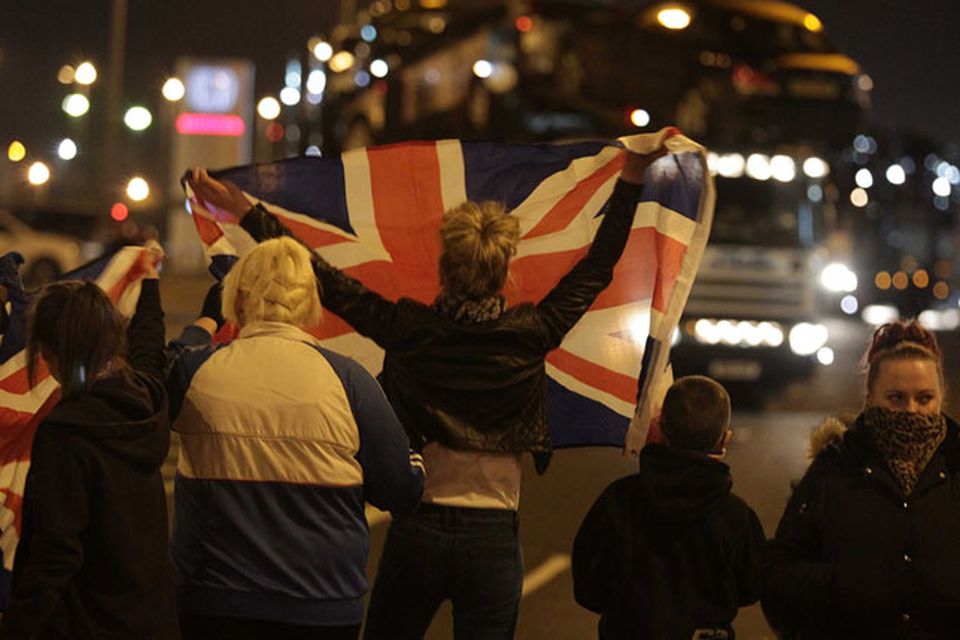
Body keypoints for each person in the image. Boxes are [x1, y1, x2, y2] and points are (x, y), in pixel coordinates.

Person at [165, 236, 424, 640]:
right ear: (307, 301)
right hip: (322, 606)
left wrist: (204, 322)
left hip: (214, 603)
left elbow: (161, 366)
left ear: (238, 299)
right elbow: (400, 488)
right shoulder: (348, 380)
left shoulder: (197, 372)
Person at [0, 244, 179, 639]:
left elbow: (54, 557)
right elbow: (150, 348)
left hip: (90, 625)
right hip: (152, 619)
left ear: (49, 351)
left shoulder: (65, 434)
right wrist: (149, 282)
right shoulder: (146, 399)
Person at [762, 320, 960, 639]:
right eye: (896, 398)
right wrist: (841, 585)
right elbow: (778, 574)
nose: (911, 411)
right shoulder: (834, 469)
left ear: (941, 399)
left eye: (924, 398)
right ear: (870, 399)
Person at [572, 375, 764, 639]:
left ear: (660, 429)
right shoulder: (735, 515)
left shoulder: (619, 500)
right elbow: (751, 588)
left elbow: (589, 588)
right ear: (723, 440)